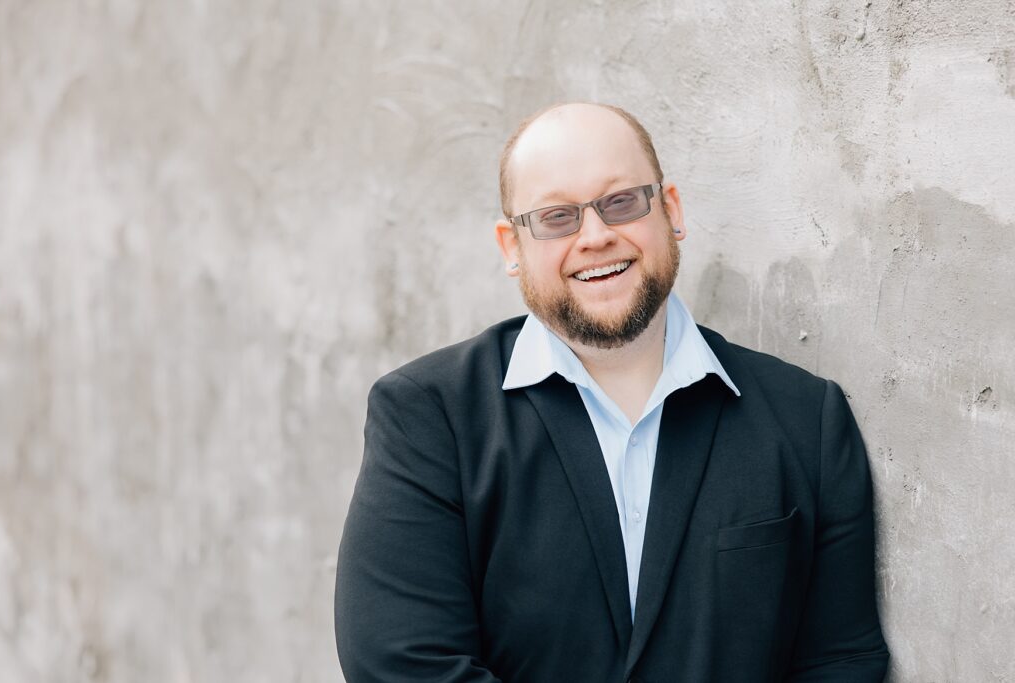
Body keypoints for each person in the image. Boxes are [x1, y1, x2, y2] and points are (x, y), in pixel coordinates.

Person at [335, 102, 889, 682]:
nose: (595, 237)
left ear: (670, 210)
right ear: (511, 248)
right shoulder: (429, 416)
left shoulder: (807, 419)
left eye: (621, 202)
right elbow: (402, 664)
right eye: (556, 217)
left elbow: (840, 661)